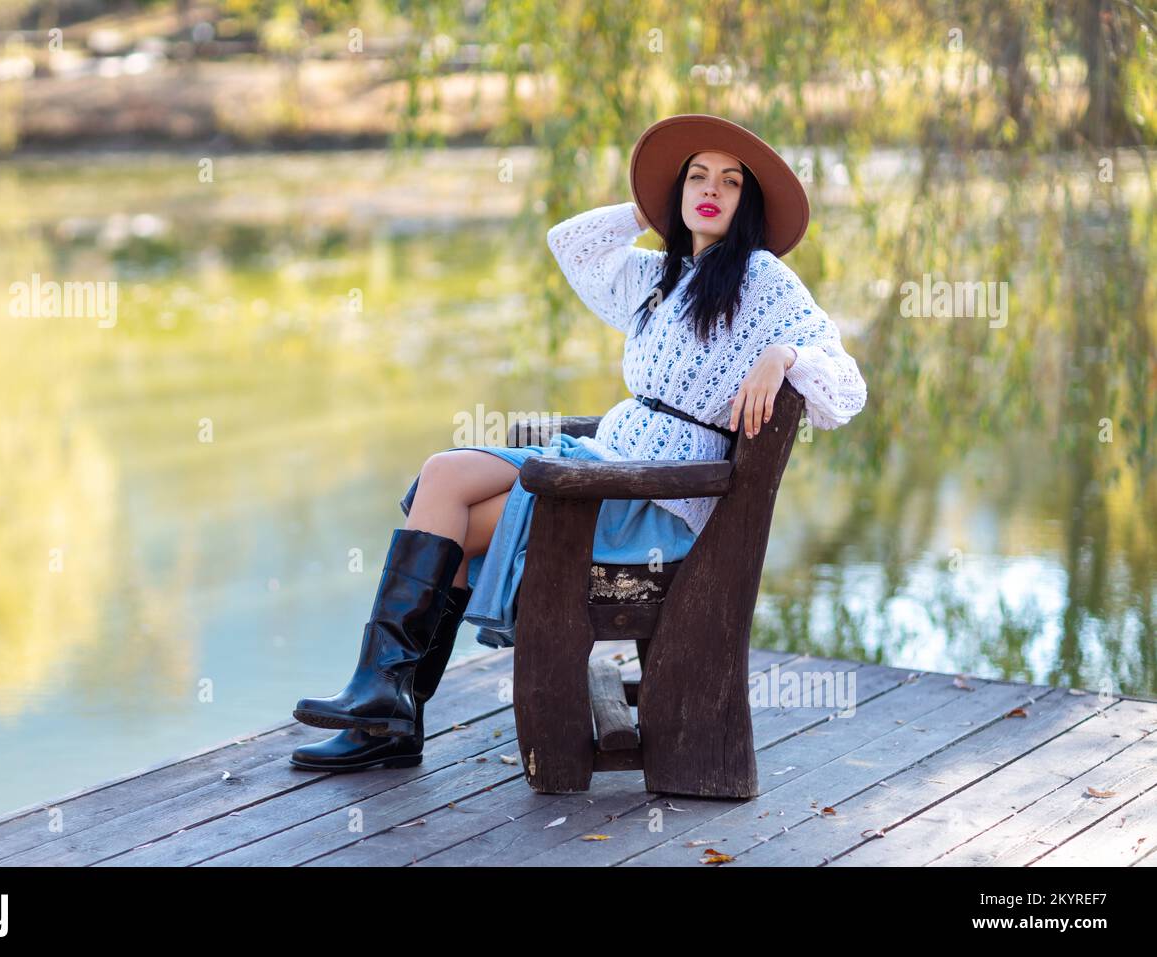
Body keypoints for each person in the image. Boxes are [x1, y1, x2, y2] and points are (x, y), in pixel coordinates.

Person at [291, 114, 868, 772]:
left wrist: (784, 354)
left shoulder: (760, 280)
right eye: (696, 177)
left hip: (647, 503)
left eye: (731, 181)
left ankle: (386, 710)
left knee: (452, 514)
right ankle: (383, 698)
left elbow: (846, 384)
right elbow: (570, 245)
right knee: (442, 478)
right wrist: (646, 209)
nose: (711, 190)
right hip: (602, 464)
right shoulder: (664, 276)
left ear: (749, 202)